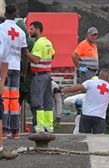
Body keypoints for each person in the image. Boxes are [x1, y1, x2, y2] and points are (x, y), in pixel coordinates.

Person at [54, 68, 109, 133]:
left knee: (84, 136)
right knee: (99, 137)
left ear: (99, 76)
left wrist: (61, 90)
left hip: (86, 115)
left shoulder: (90, 82)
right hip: (99, 117)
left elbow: (76, 88)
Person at [0, 5, 27, 139]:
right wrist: (24, 73)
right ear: (16, 14)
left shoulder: (0, 29)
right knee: (14, 100)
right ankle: (15, 131)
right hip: (16, 68)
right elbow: (25, 54)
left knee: (3, 99)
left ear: (5, 13)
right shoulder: (21, 32)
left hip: (3, 68)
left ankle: (4, 130)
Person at [27, 21, 55, 133]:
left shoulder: (38, 43)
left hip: (39, 76)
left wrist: (26, 52)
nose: (30, 31)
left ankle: (39, 128)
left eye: (32, 29)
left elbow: (35, 59)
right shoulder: (48, 42)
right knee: (47, 102)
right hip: (47, 75)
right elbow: (52, 55)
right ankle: (49, 127)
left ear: (38, 30)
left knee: (37, 102)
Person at [0, 29, 18, 159]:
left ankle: (0, 149)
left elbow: (5, 60)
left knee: (0, 114)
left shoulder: (3, 37)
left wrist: (2, 81)